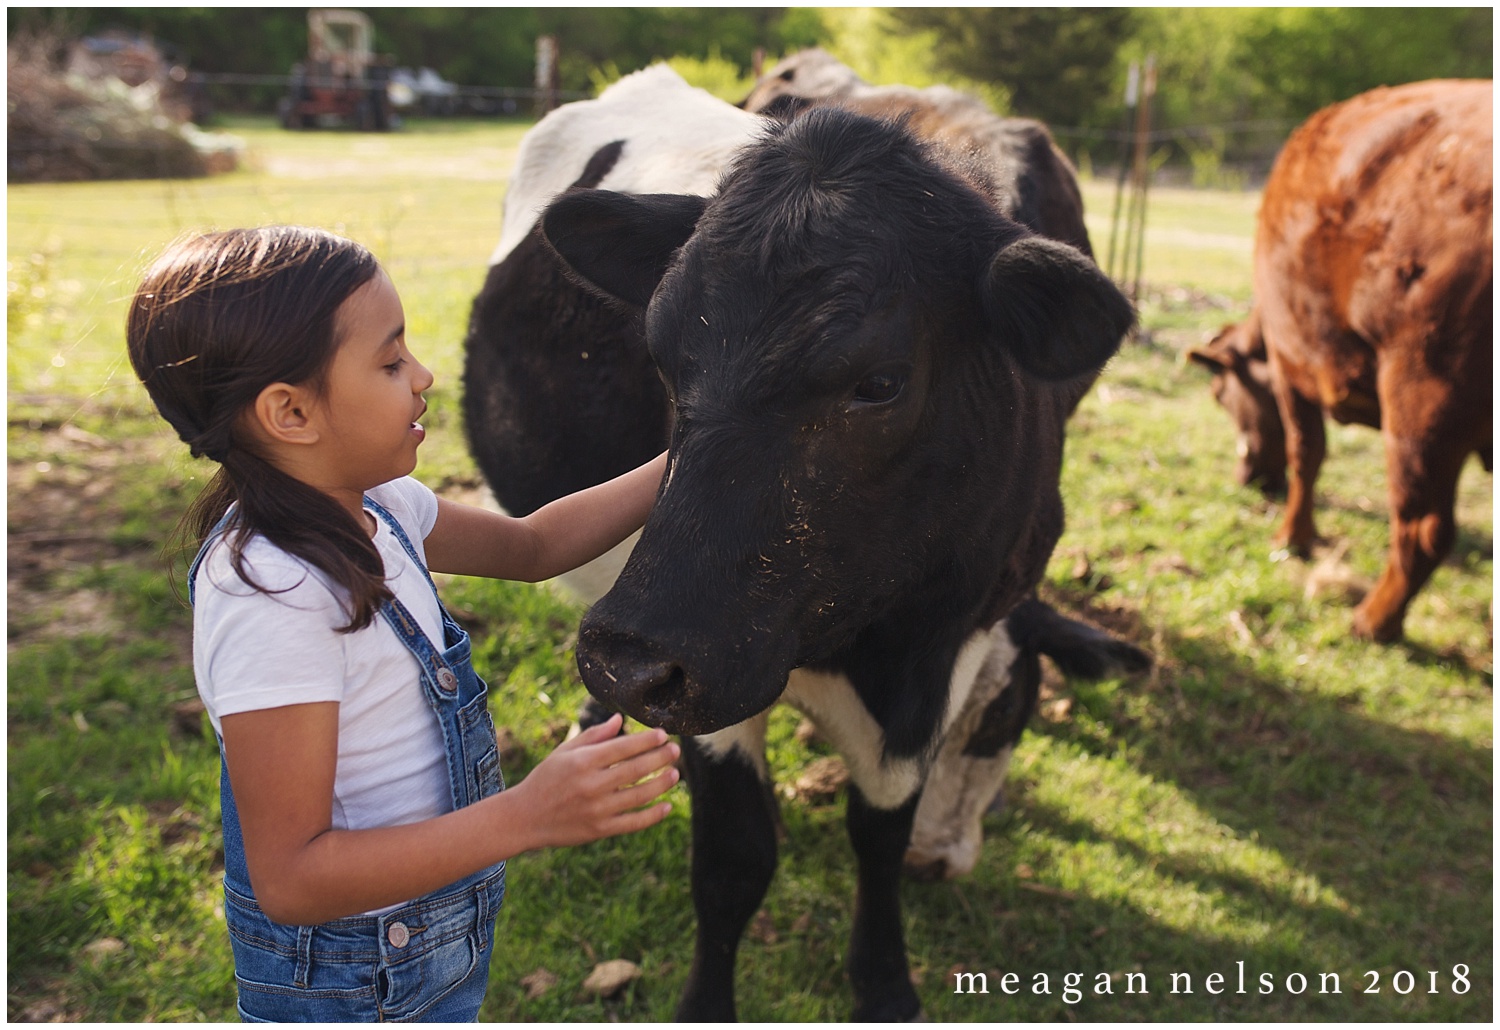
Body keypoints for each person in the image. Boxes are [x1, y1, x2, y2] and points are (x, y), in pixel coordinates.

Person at [127, 225, 678, 1021]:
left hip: (424, 946)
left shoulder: (380, 507)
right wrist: (525, 814)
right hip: (352, 987)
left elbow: (535, 545)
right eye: (389, 363)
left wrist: (692, 452)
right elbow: (291, 878)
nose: (422, 377)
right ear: (289, 412)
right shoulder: (272, 594)